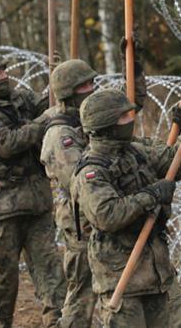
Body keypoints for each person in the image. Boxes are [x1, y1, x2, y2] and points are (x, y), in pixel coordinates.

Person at [71, 87, 181, 328]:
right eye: (123, 117)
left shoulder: (136, 150)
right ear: (107, 125)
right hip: (122, 277)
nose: (130, 119)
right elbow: (107, 215)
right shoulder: (91, 171)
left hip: (158, 272)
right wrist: (151, 195)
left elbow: (175, 163)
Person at [40, 37, 146, 327]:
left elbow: (127, 106)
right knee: (82, 296)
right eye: (84, 86)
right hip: (82, 223)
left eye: (91, 83)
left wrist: (133, 67)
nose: (91, 89)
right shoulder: (60, 134)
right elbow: (78, 180)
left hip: (107, 215)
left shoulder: (92, 117)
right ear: (67, 93)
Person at [0, 49, 66, 327]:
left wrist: (58, 79)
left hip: (37, 203)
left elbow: (48, 104)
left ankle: (57, 321)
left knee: (50, 269)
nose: (4, 76)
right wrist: (41, 123)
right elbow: (7, 143)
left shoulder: (20, 98)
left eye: (4, 70)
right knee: (5, 275)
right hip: (4, 207)